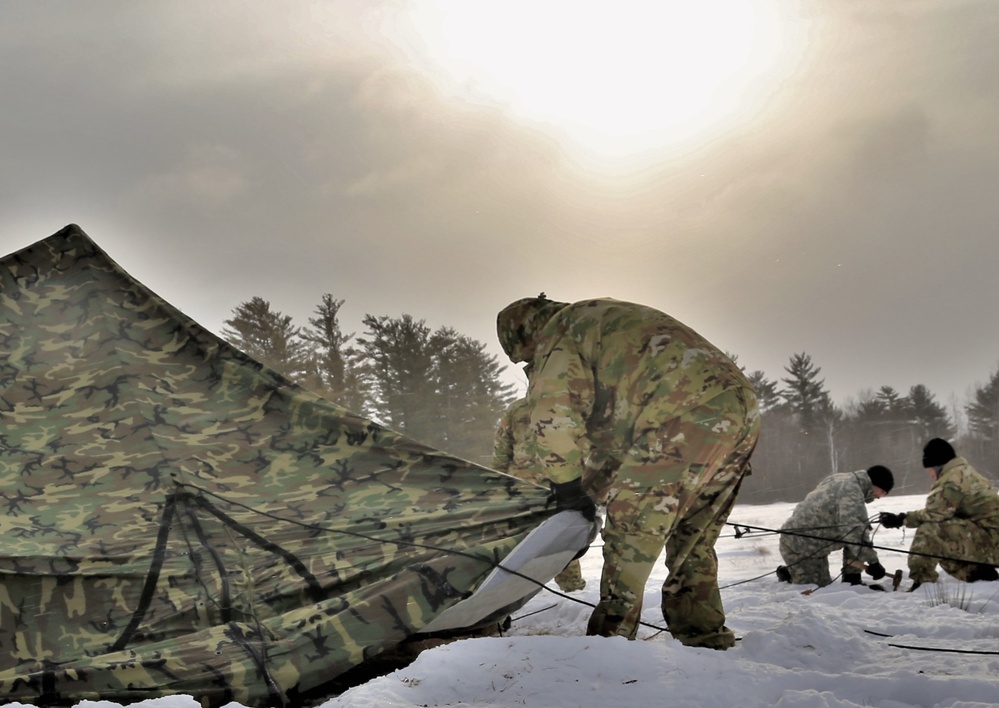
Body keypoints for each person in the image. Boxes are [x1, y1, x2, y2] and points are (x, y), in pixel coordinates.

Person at [496, 295, 760, 649]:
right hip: (738, 410)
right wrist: (586, 492)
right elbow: (615, 435)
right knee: (692, 540)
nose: (531, 363)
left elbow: (554, 415)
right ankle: (705, 638)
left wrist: (567, 488)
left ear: (525, 334)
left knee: (628, 538)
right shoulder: (600, 320)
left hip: (678, 413)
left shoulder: (558, 333)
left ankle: (610, 649)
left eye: (526, 357)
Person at [492, 388, 587, 592]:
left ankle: (573, 590)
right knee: (518, 543)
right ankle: (506, 593)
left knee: (561, 538)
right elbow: (502, 448)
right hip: (523, 489)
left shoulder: (570, 408)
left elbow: (582, 446)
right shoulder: (516, 409)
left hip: (559, 487)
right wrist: (498, 482)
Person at [879, 438, 999, 589]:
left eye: (929, 470)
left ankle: (923, 583)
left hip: (990, 544)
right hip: (989, 540)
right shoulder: (966, 472)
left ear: (937, 466)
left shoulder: (951, 480)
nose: (930, 475)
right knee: (945, 539)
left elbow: (935, 515)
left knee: (931, 531)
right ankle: (980, 575)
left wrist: (901, 519)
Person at [776, 466, 892, 588]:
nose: (879, 496)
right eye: (883, 492)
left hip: (811, 542)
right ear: (875, 484)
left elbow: (856, 531)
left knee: (857, 534)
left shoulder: (841, 478)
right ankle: (790, 573)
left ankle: (852, 578)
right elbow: (856, 534)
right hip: (800, 547)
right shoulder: (851, 492)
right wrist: (874, 563)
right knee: (817, 589)